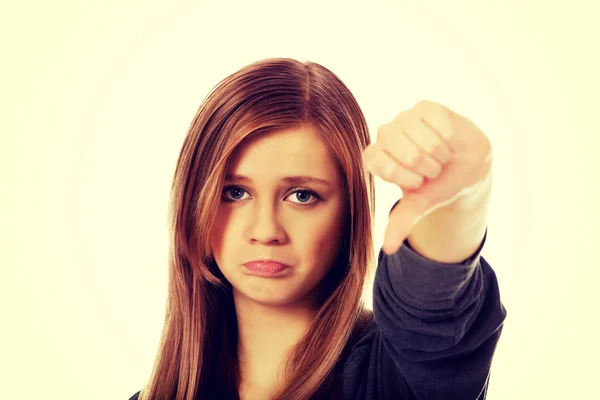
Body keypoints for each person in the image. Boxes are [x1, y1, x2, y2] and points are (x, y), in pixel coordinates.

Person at [128, 58, 507, 400]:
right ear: (194, 207)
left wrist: (461, 200)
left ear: (350, 211)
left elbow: (432, 311)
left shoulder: (392, 381)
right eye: (236, 192)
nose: (265, 230)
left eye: (302, 195)